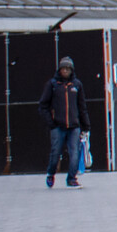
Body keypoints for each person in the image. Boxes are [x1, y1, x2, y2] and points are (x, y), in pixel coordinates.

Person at [39, 56, 86, 188]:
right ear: (59, 70)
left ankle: (71, 178)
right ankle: (51, 173)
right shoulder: (53, 85)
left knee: (74, 153)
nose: (65, 71)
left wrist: (85, 125)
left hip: (74, 126)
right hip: (58, 126)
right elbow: (43, 106)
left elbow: (82, 106)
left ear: (71, 70)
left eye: (68, 68)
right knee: (55, 153)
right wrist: (51, 123)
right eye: (63, 68)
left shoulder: (77, 85)